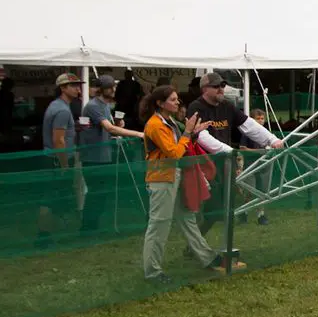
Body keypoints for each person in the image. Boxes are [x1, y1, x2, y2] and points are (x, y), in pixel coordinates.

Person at [140, 85, 244, 283]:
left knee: (187, 218)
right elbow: (174, 153)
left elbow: (180, 145)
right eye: (173, 99)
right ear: (160, 104)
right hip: (162, 180)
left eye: (177, 98)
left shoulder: (167, 121)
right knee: (159, 225)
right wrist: (188, 132)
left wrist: (193, 134)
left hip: (173, 176)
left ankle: (208, 257)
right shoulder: (155, 125)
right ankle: (152, 272)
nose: (178, 102)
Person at [185, 72, 284, 241]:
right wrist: (228, 150)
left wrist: (272, 139)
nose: (221, 89)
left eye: (222, 86)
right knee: (211, 210)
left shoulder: (227, 106)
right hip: (204, 166)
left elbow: (249, 125)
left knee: (226, 209)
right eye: (216, 86)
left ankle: (215, 249)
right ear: (205, 89)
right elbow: (201, 136)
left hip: (225, 164)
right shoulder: (196, 107)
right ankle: (197, 245)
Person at [79, 74, 145, 236]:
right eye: (110, 87)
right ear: (102, 89)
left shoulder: (106, 106)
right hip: (93, 157)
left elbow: (110, 128)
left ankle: (93, 227)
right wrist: (138, 134)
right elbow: (109, 129)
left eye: (113, 87)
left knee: (102, 194)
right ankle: (87, 229)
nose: (114, 90)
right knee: (95, 193)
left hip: (104, 156)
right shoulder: (94, 106)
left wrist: (118, 124)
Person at [37, 73, 85, 248]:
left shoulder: (57, 106)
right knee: (50, 198)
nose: (78, 89)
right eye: (73, 86)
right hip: (57, 160)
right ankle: (43, 237)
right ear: (63, 88)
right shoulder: (63, 110)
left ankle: (48, 234)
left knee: (53, 198)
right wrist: (64, 164)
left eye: (78, 85)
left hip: (53, 158)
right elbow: (59, 140)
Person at [237, 108, 273, 226]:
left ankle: (261, 215)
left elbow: (270, 147)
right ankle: (244, 213)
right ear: (252, 120)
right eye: (258, 119)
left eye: (262, 118)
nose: (261, 121)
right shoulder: (247, 133)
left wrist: (265, 151)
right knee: (250, 190)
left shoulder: (267, 133)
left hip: (263, 165)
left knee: (262, 191)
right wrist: (260, 151)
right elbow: (243, 149)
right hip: (250, 166)